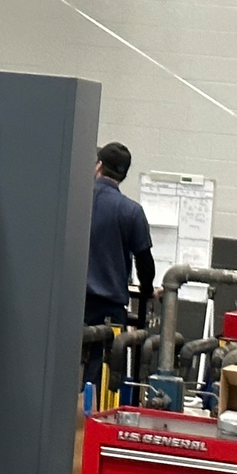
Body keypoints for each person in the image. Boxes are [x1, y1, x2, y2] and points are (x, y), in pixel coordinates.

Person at [84, 141, 156, 397]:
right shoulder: (131, 211)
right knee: (101, 381)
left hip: (73, 304)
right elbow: (145, 263)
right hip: (110, 312)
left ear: (99, 166)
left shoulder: (76, 199)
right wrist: (147, 291)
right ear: (123, 175)